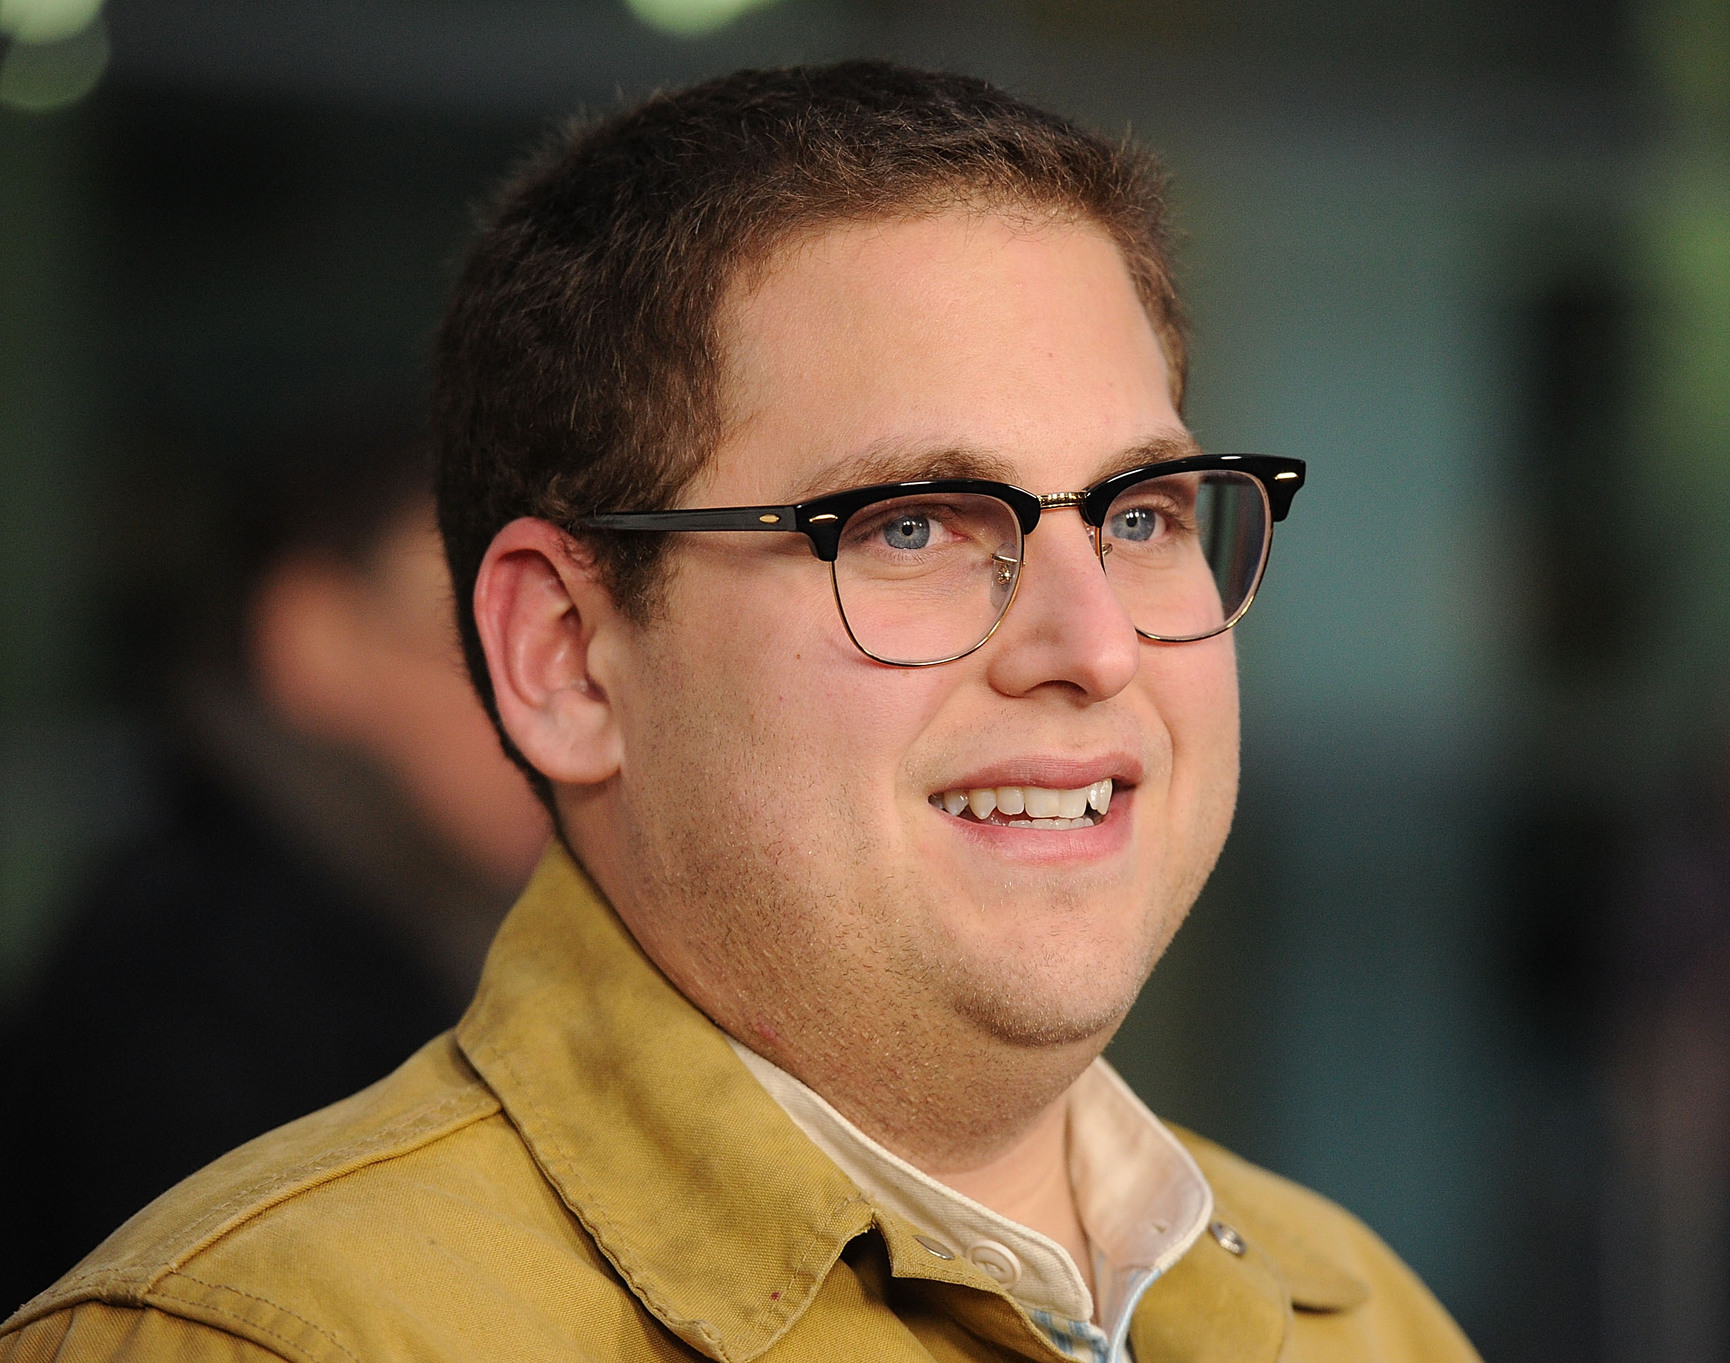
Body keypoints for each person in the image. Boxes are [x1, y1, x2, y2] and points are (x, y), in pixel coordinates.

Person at [0, 62, 1480, 1362]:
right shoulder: (273, 1339)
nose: (1092, 643)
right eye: (912, 524)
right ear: (569, 657)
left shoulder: (1357, 1311)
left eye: (1144, 514)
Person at [0, 419, 550, 1311]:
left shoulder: (361, 919)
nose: (556, 682)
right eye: (485, 630)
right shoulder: (203, 993)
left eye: (570, 625)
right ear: (313, 639)